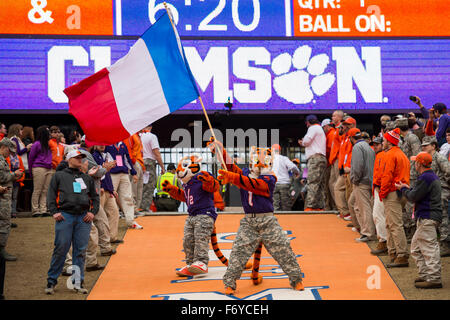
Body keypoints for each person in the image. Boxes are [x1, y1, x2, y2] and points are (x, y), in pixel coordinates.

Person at [45, 149, 99, 295]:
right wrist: (54, 211)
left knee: (80, 251)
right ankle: (51, 282)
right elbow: (50, 195)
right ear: (69, 159)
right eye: (77, 157)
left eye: (81, 157)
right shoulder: (59, 176)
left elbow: (95, 197)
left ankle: (78, 283)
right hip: (65, 215)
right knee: (61, 249)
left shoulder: (86, 178)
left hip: (83, 218)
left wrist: (92, 212)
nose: (80, 159)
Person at [396, 152, 443, 289]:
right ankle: (426, 275)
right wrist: (406, 189)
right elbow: (416, 194)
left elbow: (413, 196)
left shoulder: (425, 178)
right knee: (416, 248)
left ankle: (433, 278)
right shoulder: (429, 176)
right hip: (429, 216)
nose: (414, 164)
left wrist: (403, 189)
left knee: (428, 248)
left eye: (416, 161)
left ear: (420, 164)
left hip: (427, 217)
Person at [380, 128, 410, 268]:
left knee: (395, 225)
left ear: (389, 142)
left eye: (384, 140)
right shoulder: (402, 154)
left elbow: (387, 176)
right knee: (391, 223)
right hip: (401, 192)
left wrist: (382, 192)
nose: (383, 141)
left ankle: (401, 255)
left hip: (392, 192)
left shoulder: (389, 155)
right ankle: (393, 253)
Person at [420, 136, 450, 257]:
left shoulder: (439, 157)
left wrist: (444, 185)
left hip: (442, 191)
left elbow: (448, 172)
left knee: (443, 218)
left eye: (426, 145)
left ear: (433, 146)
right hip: (432, 192)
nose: (423, 147)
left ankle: (446, 244)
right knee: (437, 217)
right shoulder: (427, 159)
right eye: (423, 146)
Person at [105, 141, 142, 229]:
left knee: (128, 197)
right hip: (112, 173)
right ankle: (111, 221)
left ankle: (130, 221)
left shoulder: (122, 144)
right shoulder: (106, 144)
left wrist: (133, 173)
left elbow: (127, 159)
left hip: (124, 173)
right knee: (111, 197)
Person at [349, 128, 376, 242]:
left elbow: (357, 166)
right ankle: (365, 231)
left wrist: (354, 180)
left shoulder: (357, 147)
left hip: (362, 182)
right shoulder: (368, 147)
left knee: (364, 208)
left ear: (351, 138)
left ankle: (368, 233)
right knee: (358, 206)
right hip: (370, 180)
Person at [397, 117, 421, 242]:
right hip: (406, 174)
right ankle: (408, 229)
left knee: (410, 204)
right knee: (405, 203)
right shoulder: (404, 139)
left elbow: (417, 156)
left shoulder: (412, 138)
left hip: (412, 175)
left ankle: (412, 231)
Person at [92, 145, 122, 244]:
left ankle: (112, 237)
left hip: (108, 189)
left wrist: (112, 189)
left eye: (104, 143)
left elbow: (107, 175)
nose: (102, 145)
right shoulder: (94, 156)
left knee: (114, 212)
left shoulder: (106, 155)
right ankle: (101, 240)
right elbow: (96, 174)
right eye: (100, 143)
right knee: (100, 217)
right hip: (100, 189)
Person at [0, 139, 24, 262]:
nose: (9, 154)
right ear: (4, 147)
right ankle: (1, 250)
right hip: (2, 199)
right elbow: (2, 177)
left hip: (4, 197)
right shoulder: (0, 160)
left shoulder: (2, 159)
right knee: (3, 223)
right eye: (9, 150)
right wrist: (14, 175)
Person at [298, 115, 327, 211]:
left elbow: (306, 141)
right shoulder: (319, 128)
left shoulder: (313, 128)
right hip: (321, 158)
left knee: (312, 183)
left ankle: (310, 206)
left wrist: (302, 142)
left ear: (308, 122)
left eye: (306, 123)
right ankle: (319, 206)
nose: (306, 124)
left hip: (315, 158)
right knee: (320, 184)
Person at [334, 117, 357, 220]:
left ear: (353, 125)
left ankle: (347, 213)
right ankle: (347, 213)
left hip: (349, 169)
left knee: (343, 190)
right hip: (345, 169)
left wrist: (348, 168)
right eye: (344, 125)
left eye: (348, 125)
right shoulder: (345, 137)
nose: (345, 126)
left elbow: (351, 155)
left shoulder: (354, 137)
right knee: (347, 192)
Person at [28, 126, 53, 217]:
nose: (49, 134)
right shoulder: (37, 144)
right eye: (48, 132)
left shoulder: (49, 144)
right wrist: (31, 171)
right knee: (37, 190)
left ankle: (43, 209)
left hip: (49, 168)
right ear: (44, 133)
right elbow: (31, 158)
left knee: (45, 190)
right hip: (39, 168)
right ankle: (35, 210)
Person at [140, 124, 165, 214]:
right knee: (150, 185)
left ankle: (138, 206)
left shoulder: (138, 136)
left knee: (140, 185)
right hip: (149, 162)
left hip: (140, 162)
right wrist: (162, 166)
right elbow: (156, 152)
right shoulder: (152, 137)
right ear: (150, 127)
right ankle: (145, 207)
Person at [370, 137, 389, 255]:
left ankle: (383, 241)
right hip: (379, 188)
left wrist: (378, 186)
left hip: (381, 189)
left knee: (377, 215)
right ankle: (384, 241)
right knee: (380, 215)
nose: (375, 146)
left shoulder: (383, 155)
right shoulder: (379, 155)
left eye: (377, 144)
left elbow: (384, 173)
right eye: (374, 144)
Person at [272, 144, 300, 211]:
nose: (295, 163)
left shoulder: (270, 159)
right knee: (286, 206)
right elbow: (293, 167)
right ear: (280, 150)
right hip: (285, 185)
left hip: (274, 184)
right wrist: (297, 172)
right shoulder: (284, 159)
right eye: (294, 162)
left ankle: (277, 219)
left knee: (275, 205)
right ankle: (287, 220)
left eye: (296, 162)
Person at [123, 133, 145, 214]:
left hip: (138, 163)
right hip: (134, 162)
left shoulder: (137, 135)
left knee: (139, 187)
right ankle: (133, 208)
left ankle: (136, 208)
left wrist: (143, 166)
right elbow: (128, 149)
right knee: (133, 188)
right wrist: (132, 162)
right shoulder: (130, 134)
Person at [321, 119, 337, 211]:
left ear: (326, 126)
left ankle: (331, 207)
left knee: (329, 185)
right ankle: (332, 206)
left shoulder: (330, 134)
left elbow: (330, 150)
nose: (323, 130)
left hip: (330, 163)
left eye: (323, 128)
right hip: (331, 163)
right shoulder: (332, 133)